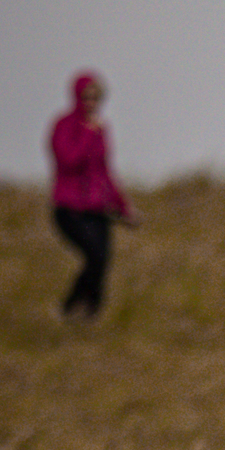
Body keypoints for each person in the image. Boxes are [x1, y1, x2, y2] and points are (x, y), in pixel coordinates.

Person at [47, 71, 136, 316]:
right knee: (94, 255)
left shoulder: (101, 128)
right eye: (87, 97)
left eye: (97, 98)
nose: (92, 104)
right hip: (69, 208)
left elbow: (105, 171)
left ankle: (91, 314)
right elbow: (68, 161)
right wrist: (87, 134)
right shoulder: (64, 126)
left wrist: (123, 207)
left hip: (97, 207)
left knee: (103, 260)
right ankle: (69, 307)